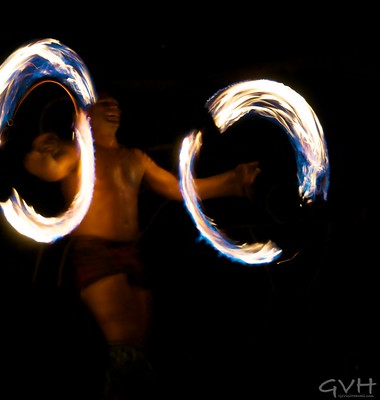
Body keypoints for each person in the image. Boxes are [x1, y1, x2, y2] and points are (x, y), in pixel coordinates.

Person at [21, 89, 262, 399]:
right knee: (123, 344)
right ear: (85, 116)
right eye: (104, 103)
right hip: (95, 252)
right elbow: (46, 168)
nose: (113, 107)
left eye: (116, 103)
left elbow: (180, 190)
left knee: (138, 345)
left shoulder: (135, 158)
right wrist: (41, 151)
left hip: (131, 254)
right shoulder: (77, 153)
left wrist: (233, 180)